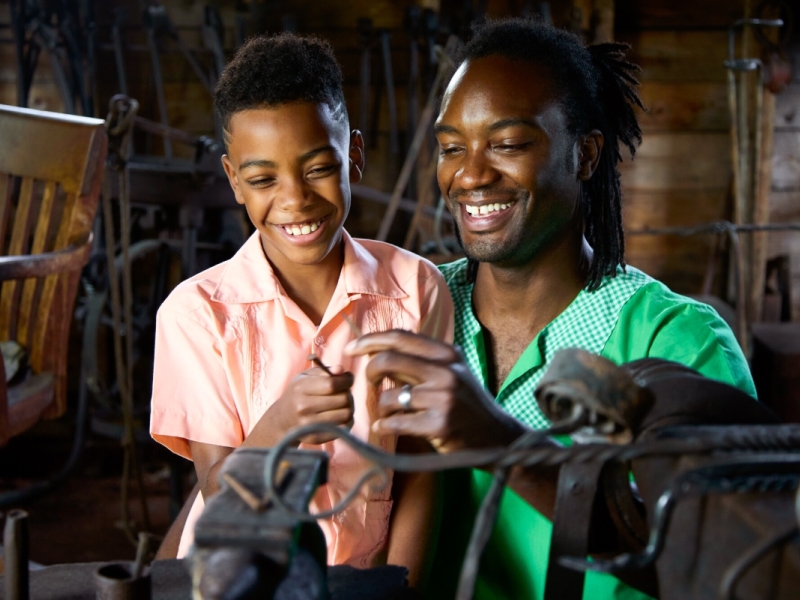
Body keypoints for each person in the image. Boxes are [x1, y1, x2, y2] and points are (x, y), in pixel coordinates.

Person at [345, 18, 756, 600]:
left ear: (585, 155)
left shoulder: (675, 342)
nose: (470, 175)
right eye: (451, 148)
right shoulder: (413, 309)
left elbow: (731, 563)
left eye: (508, 144)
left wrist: (501, 442)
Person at [148, 33, 453, 586]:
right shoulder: (196, 314)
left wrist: (399, 589)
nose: (294, 199)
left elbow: (421, 469)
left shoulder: (415, 288)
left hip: (361, 579)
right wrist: (284, 420)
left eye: (317, 168)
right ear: (234, 180)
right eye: (263, 179)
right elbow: (218, 487)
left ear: (353, 156)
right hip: (235, 583)